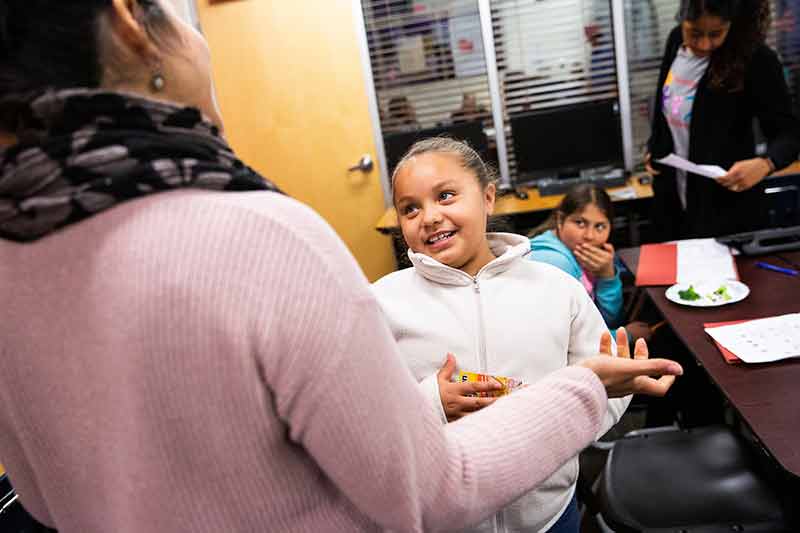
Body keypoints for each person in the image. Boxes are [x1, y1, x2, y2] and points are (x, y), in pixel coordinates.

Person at [0, 2, 682, 532]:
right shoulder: (262, 237)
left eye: (448, 195)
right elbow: (428, 486)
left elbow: (39, 491)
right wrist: (586, 385)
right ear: (130, 19)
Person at [371, 138, 674, 533]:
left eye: (445, 196)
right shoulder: (380, 305)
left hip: (550, 516)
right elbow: (358, 420)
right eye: (410, 208)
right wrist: (430, 404)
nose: (428, 217)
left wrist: (600, 393)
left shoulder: (556, 289)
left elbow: (603, 390)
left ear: (488, 197)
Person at [644, 0, 800, 241]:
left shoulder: (755, 58)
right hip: (674, 202)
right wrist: (656, 146)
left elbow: (789, 135)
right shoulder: (676, 40)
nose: (704, 44)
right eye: (694, 33)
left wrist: (765, 164)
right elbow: (666, 105)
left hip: (727, 208)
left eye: (716, 34)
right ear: (681, 19)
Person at [528, 184, 652, 342]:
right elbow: (570, 339)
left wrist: (607, 276)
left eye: (600, 226)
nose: (589, 236)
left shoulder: (583, 255)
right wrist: (625, 336)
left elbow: (608, 322)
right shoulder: (555, 262)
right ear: (560, 220)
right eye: (580, 223)